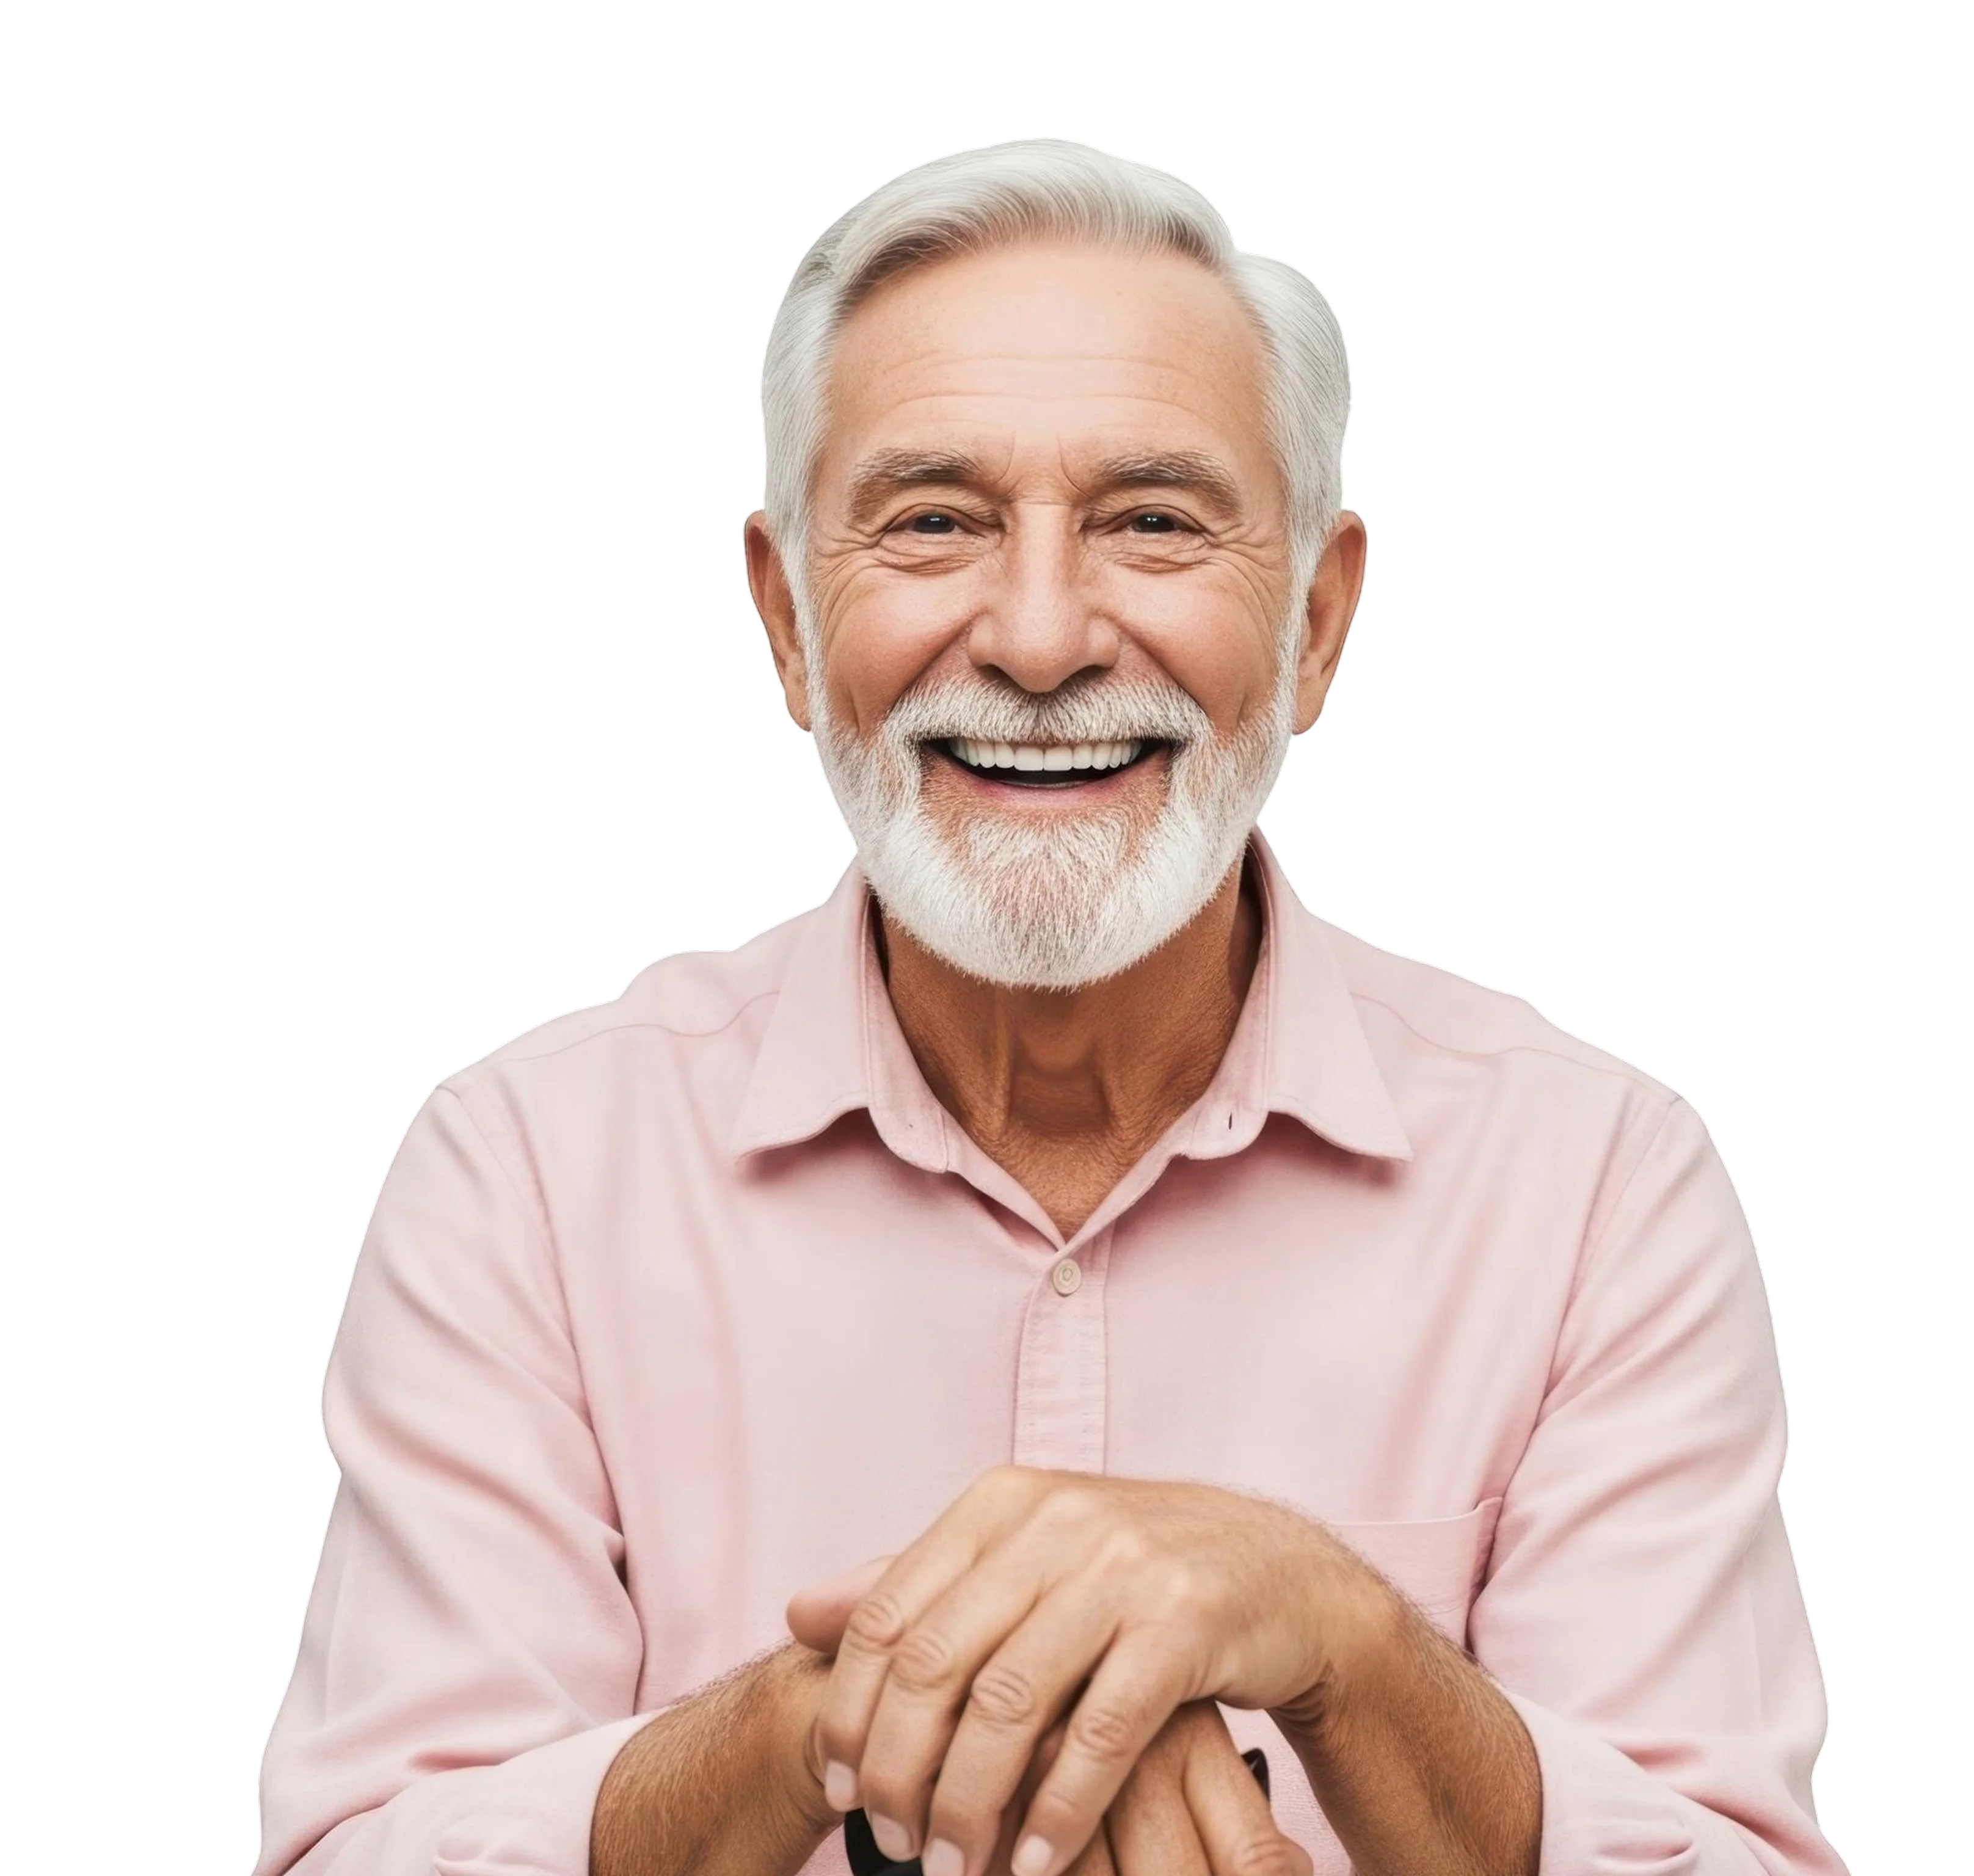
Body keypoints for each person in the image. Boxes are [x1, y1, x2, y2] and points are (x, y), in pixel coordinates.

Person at [252, 138, 1845, 1876]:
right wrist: (833, 1719)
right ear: (787, 620)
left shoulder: (1602, 1179)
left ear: (1317, 622)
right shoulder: (528, 1170)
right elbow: (363, 1857)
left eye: (1152, 521)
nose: (1032, 635)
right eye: (932, 520)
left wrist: (1345, 1642)